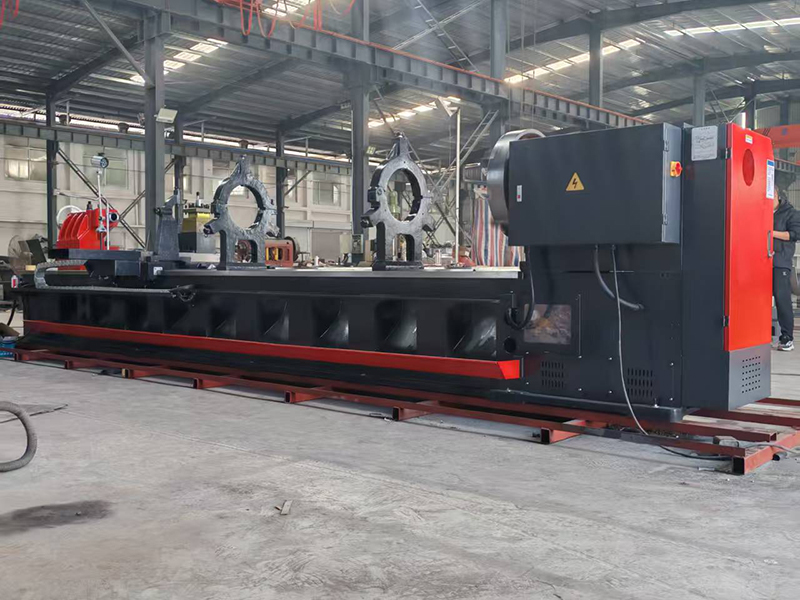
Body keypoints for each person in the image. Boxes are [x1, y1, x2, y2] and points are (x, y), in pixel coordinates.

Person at [773, 191, 800, 351]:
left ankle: (787, 338)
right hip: (760, 261)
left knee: (781, 298)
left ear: (776, 194)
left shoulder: (791, 213)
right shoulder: (761, 211)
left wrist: (770, 233)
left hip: (780, 262)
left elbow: (795, 234)